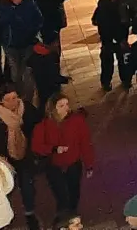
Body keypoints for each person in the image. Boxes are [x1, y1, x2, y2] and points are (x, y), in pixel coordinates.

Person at [0, 87, 39, 230]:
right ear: (0, 102)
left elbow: (38, 128)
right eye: (8, 99)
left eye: (15, 97)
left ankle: (30, 213)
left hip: (25, 156)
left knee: (27, 185)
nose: (13, 102)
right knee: (5, 189)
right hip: (3, 161)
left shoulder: (27, 109)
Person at [30, 94, 92, 223]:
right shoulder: (44, 125)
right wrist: (53, 149)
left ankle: (72, 214)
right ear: (53, 109)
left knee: (74, 190)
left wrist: (89, 164)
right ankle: (64, 215)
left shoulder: (77, 121)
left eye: (67, 104)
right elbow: (36, 146)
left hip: (73, 163)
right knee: (60, 193)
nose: (66, 108)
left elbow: (85, 143)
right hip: (54, 165)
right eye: (61, 106)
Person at [0, 0, 42, 95]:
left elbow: (38, 19)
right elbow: (0, 24)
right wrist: (13, 10)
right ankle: (19, 92)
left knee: (27, 70)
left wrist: (32, 32)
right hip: (12, 46)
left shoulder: (29, 3)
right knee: (16, 72)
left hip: (28, 43)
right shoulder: (2, 8)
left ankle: (28, 97)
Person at [93, 0, 133, 91]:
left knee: (122, 60)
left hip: (118, 38)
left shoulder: (122, 4)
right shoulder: (104, 6)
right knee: (108, 61)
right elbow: (104, 24)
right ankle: (107, 82)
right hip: (109, 38)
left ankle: (125, 80)